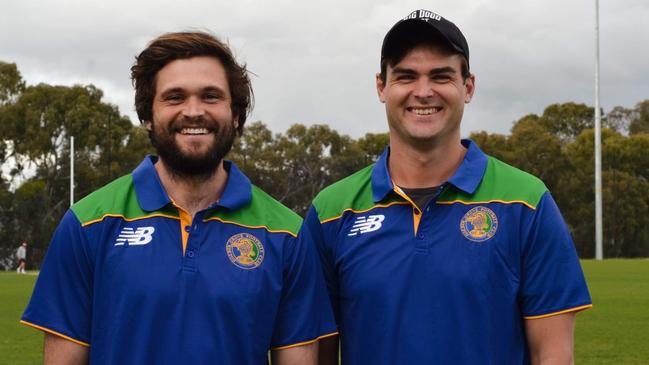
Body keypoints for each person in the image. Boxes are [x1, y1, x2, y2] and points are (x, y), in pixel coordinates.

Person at [21, 31, 336, 365]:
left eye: (211, 96)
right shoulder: (88, 223)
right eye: (174, 97)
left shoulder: (286, 233)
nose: (194, 111)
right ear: (147, 116)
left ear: (237, 115)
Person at [302, 9, 592, 365]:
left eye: (441, 76)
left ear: (467, 87)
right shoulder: (331, 211)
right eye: (406, 76)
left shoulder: (527, 202)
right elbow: (317, 352)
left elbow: (553, 355)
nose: (423, 92)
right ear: (382, 86)